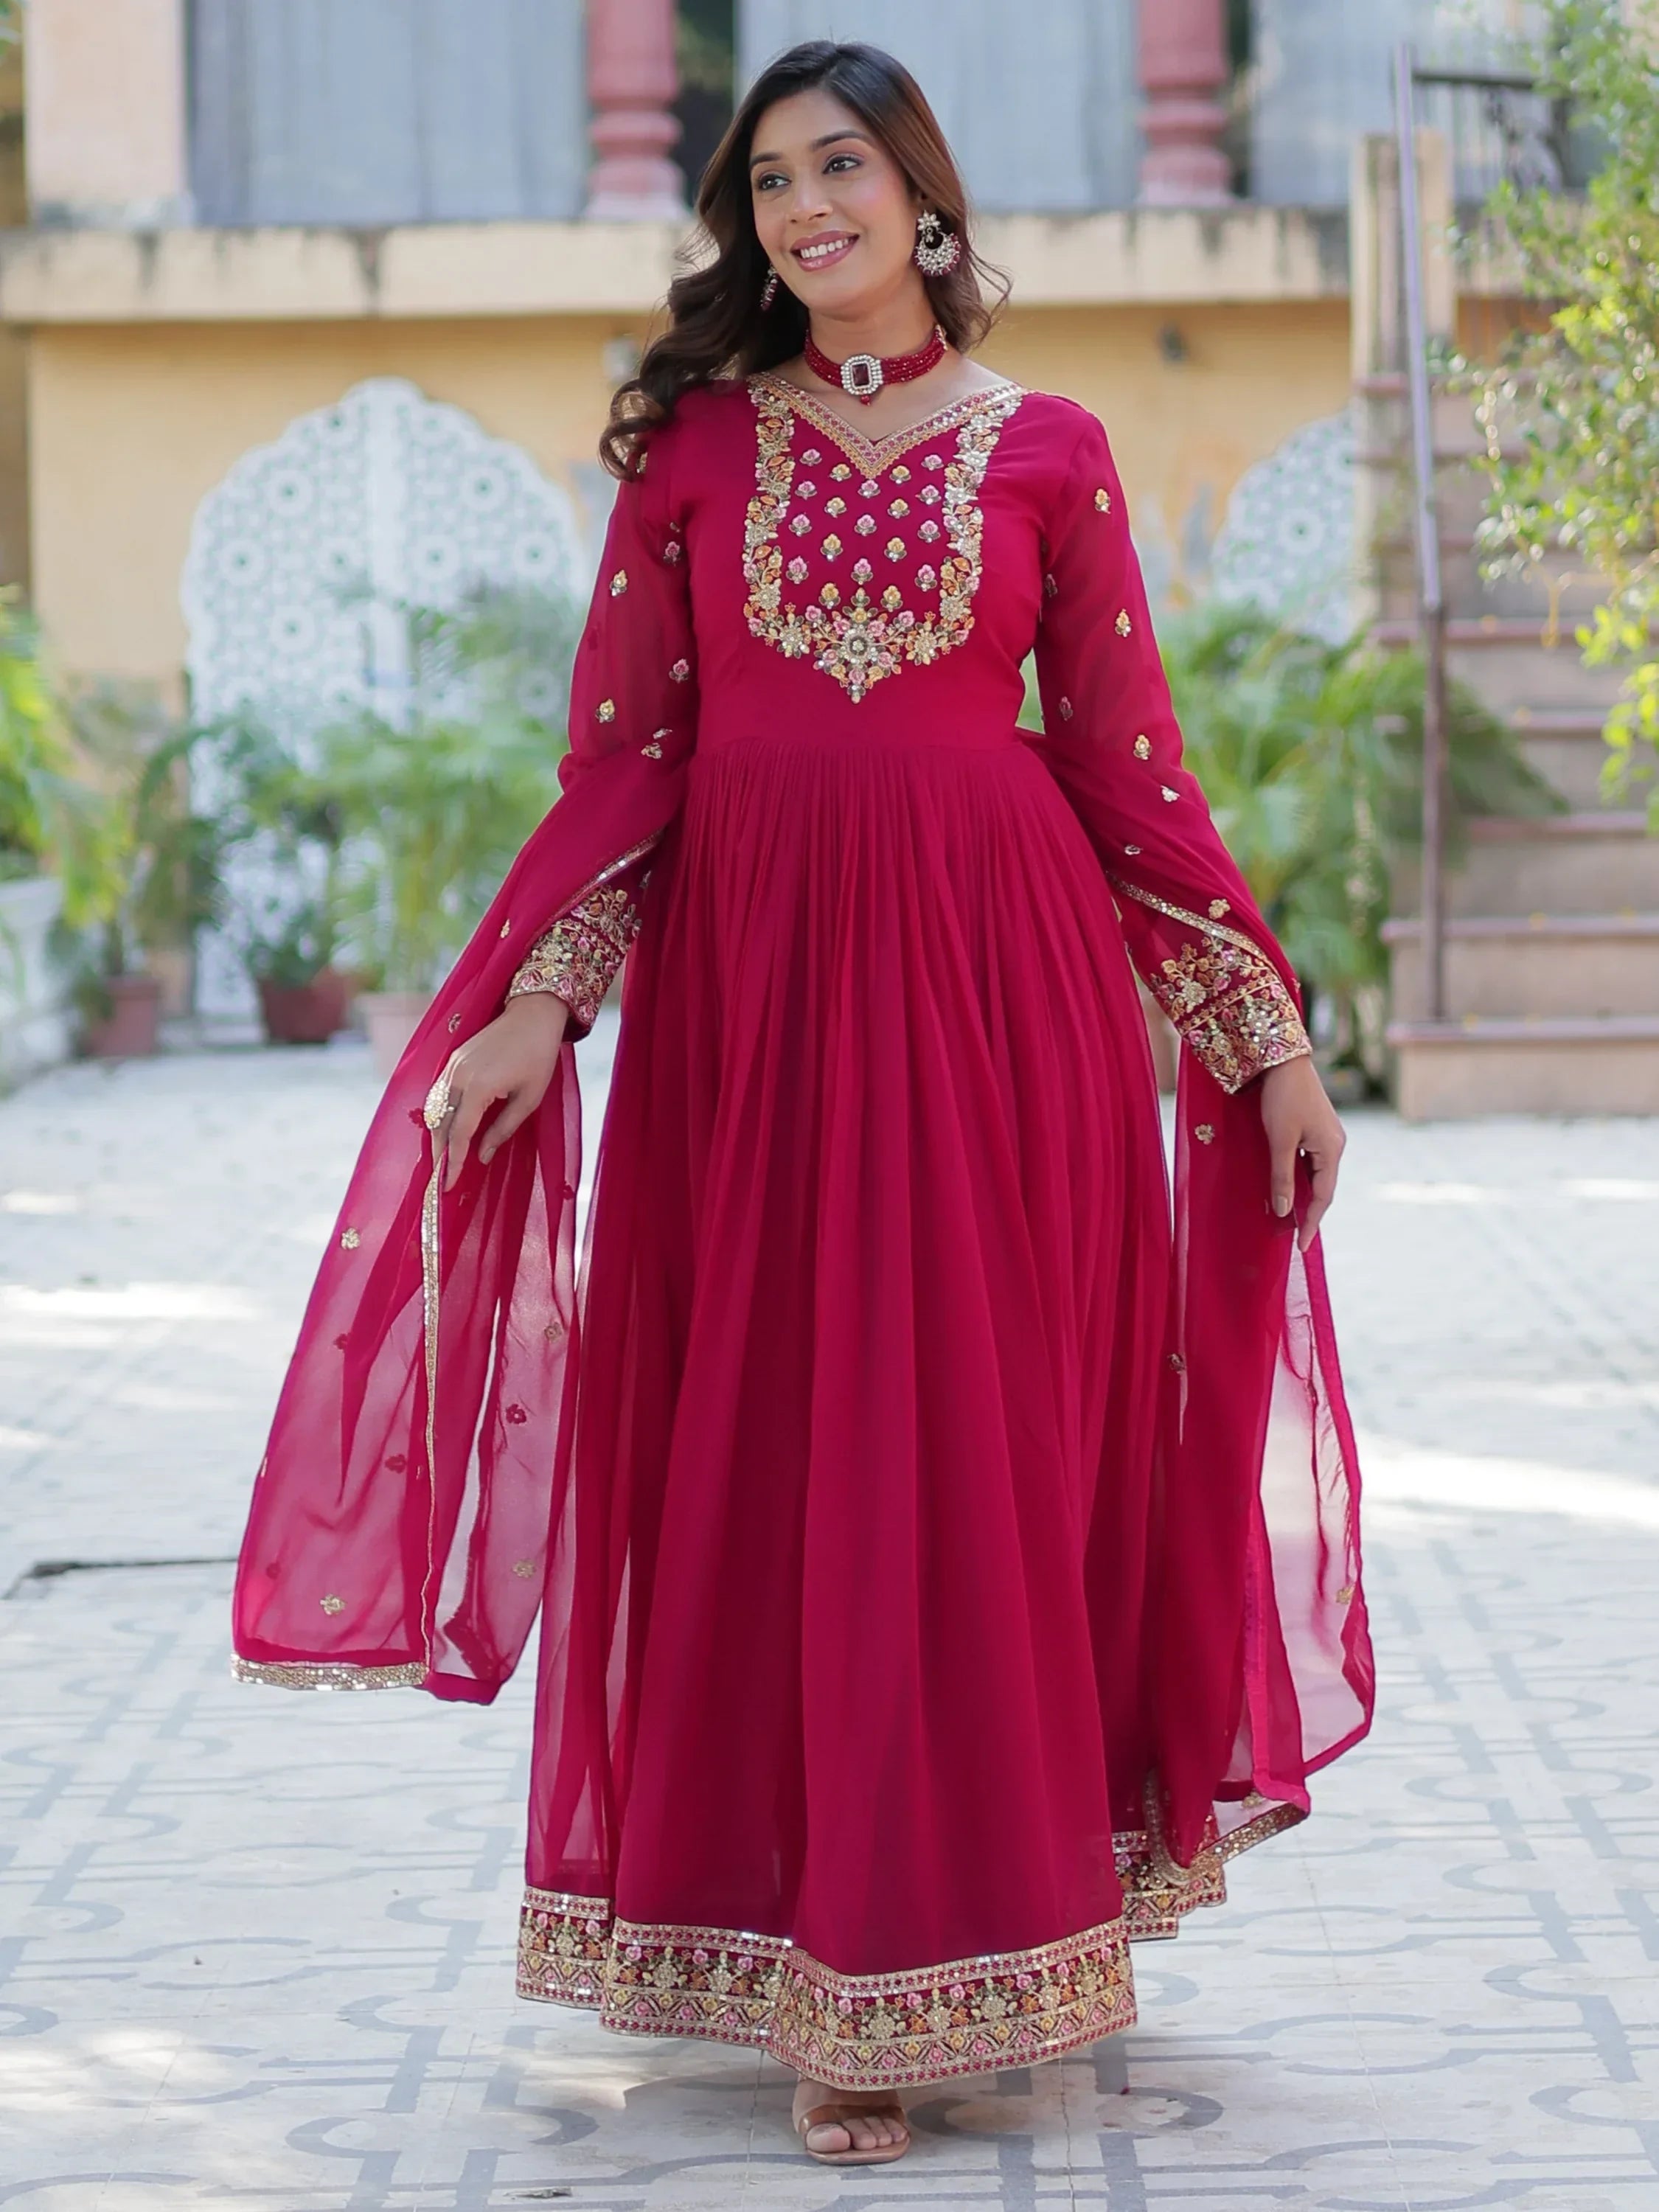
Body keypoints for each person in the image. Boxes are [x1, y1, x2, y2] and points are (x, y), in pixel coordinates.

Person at [232, 40, 1374, 2173]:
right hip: (752, 1021)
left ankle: (966, 1949)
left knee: (969, 1459)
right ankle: (817, 1956)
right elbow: (628, 766)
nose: (801, 211)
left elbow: (1128, 764)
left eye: (838, 168)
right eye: (769, 182)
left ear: (921, 196)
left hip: (999, 1009)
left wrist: (1265, 1037)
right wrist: (531, 1007)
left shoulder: (1049, 450)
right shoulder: (689, 452)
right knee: (778, 1452)